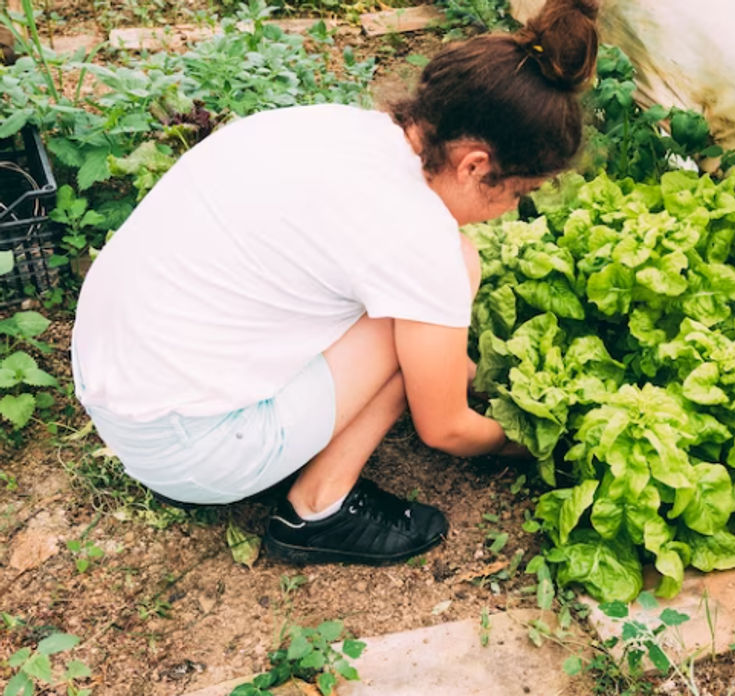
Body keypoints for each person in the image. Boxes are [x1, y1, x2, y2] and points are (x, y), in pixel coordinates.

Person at [70, 0, 599, 566]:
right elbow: (445, 429)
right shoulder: (418, 240)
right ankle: (319, 508)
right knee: (436, 294)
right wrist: (529, 440)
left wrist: (468, 374)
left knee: (432, 300)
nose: (511, 210)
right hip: (196, 453)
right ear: (474, 165)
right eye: (518, 192)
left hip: (117, 389)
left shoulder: (338, 129)